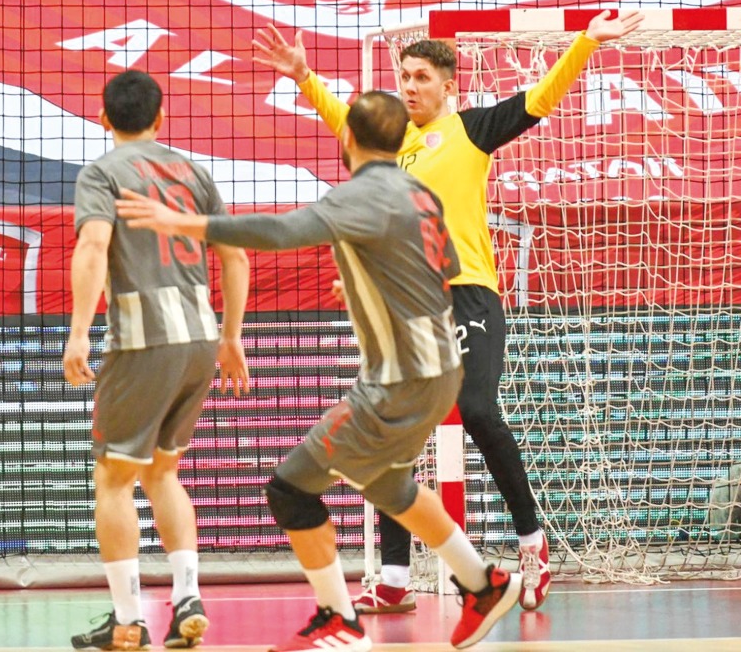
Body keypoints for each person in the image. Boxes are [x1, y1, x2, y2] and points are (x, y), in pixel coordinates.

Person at [256, 8, 643, 613]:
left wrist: (585, 43)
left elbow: (540, 99)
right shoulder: (388, 144)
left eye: (420, 79)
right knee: (392, 436)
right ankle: (392, 575)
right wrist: (305, 75)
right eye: (403, 77)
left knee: (478, 409)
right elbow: (342, 117)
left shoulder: (470, 129)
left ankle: (532, 543)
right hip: (406, 306)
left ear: (447, 87)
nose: (408, 87)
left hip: (467, 294)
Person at [118, 91, 522, 651]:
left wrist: (181, 220)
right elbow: (441, 269)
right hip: (441, 368)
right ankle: (480, 583)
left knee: (290, 489)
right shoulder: (423, 195)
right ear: (398, 137)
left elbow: (280, 232)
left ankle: (340, 619)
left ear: (348, 140)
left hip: (398, 380)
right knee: (388, 484)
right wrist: (367, 284)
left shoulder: (358, 196)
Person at [64, 70, 251, 650]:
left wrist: (77, 333)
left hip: (144, 341)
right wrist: (232, 337)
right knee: (162, 471)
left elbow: (94, 245)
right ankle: (188, 595)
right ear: (160, 117)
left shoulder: (102, 173)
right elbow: (237, 253)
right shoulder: (192, 171)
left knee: (113, 479)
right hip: (199, 338)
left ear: (102, 116)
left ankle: (127, 620)